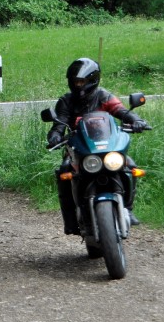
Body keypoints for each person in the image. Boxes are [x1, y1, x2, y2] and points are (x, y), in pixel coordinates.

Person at [46, 57, 149, 234]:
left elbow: (121, 111)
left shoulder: (103, 96)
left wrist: (136, 120)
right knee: (64, 170)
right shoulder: (66, 101)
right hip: (79, 149)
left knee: (129, 165)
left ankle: (128, 208)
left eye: (81, 81)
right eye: (75, 81)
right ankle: (70, 221)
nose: (78, 85)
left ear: (92, 80)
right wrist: (55, 136)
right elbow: (59, 125)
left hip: (107, 146)